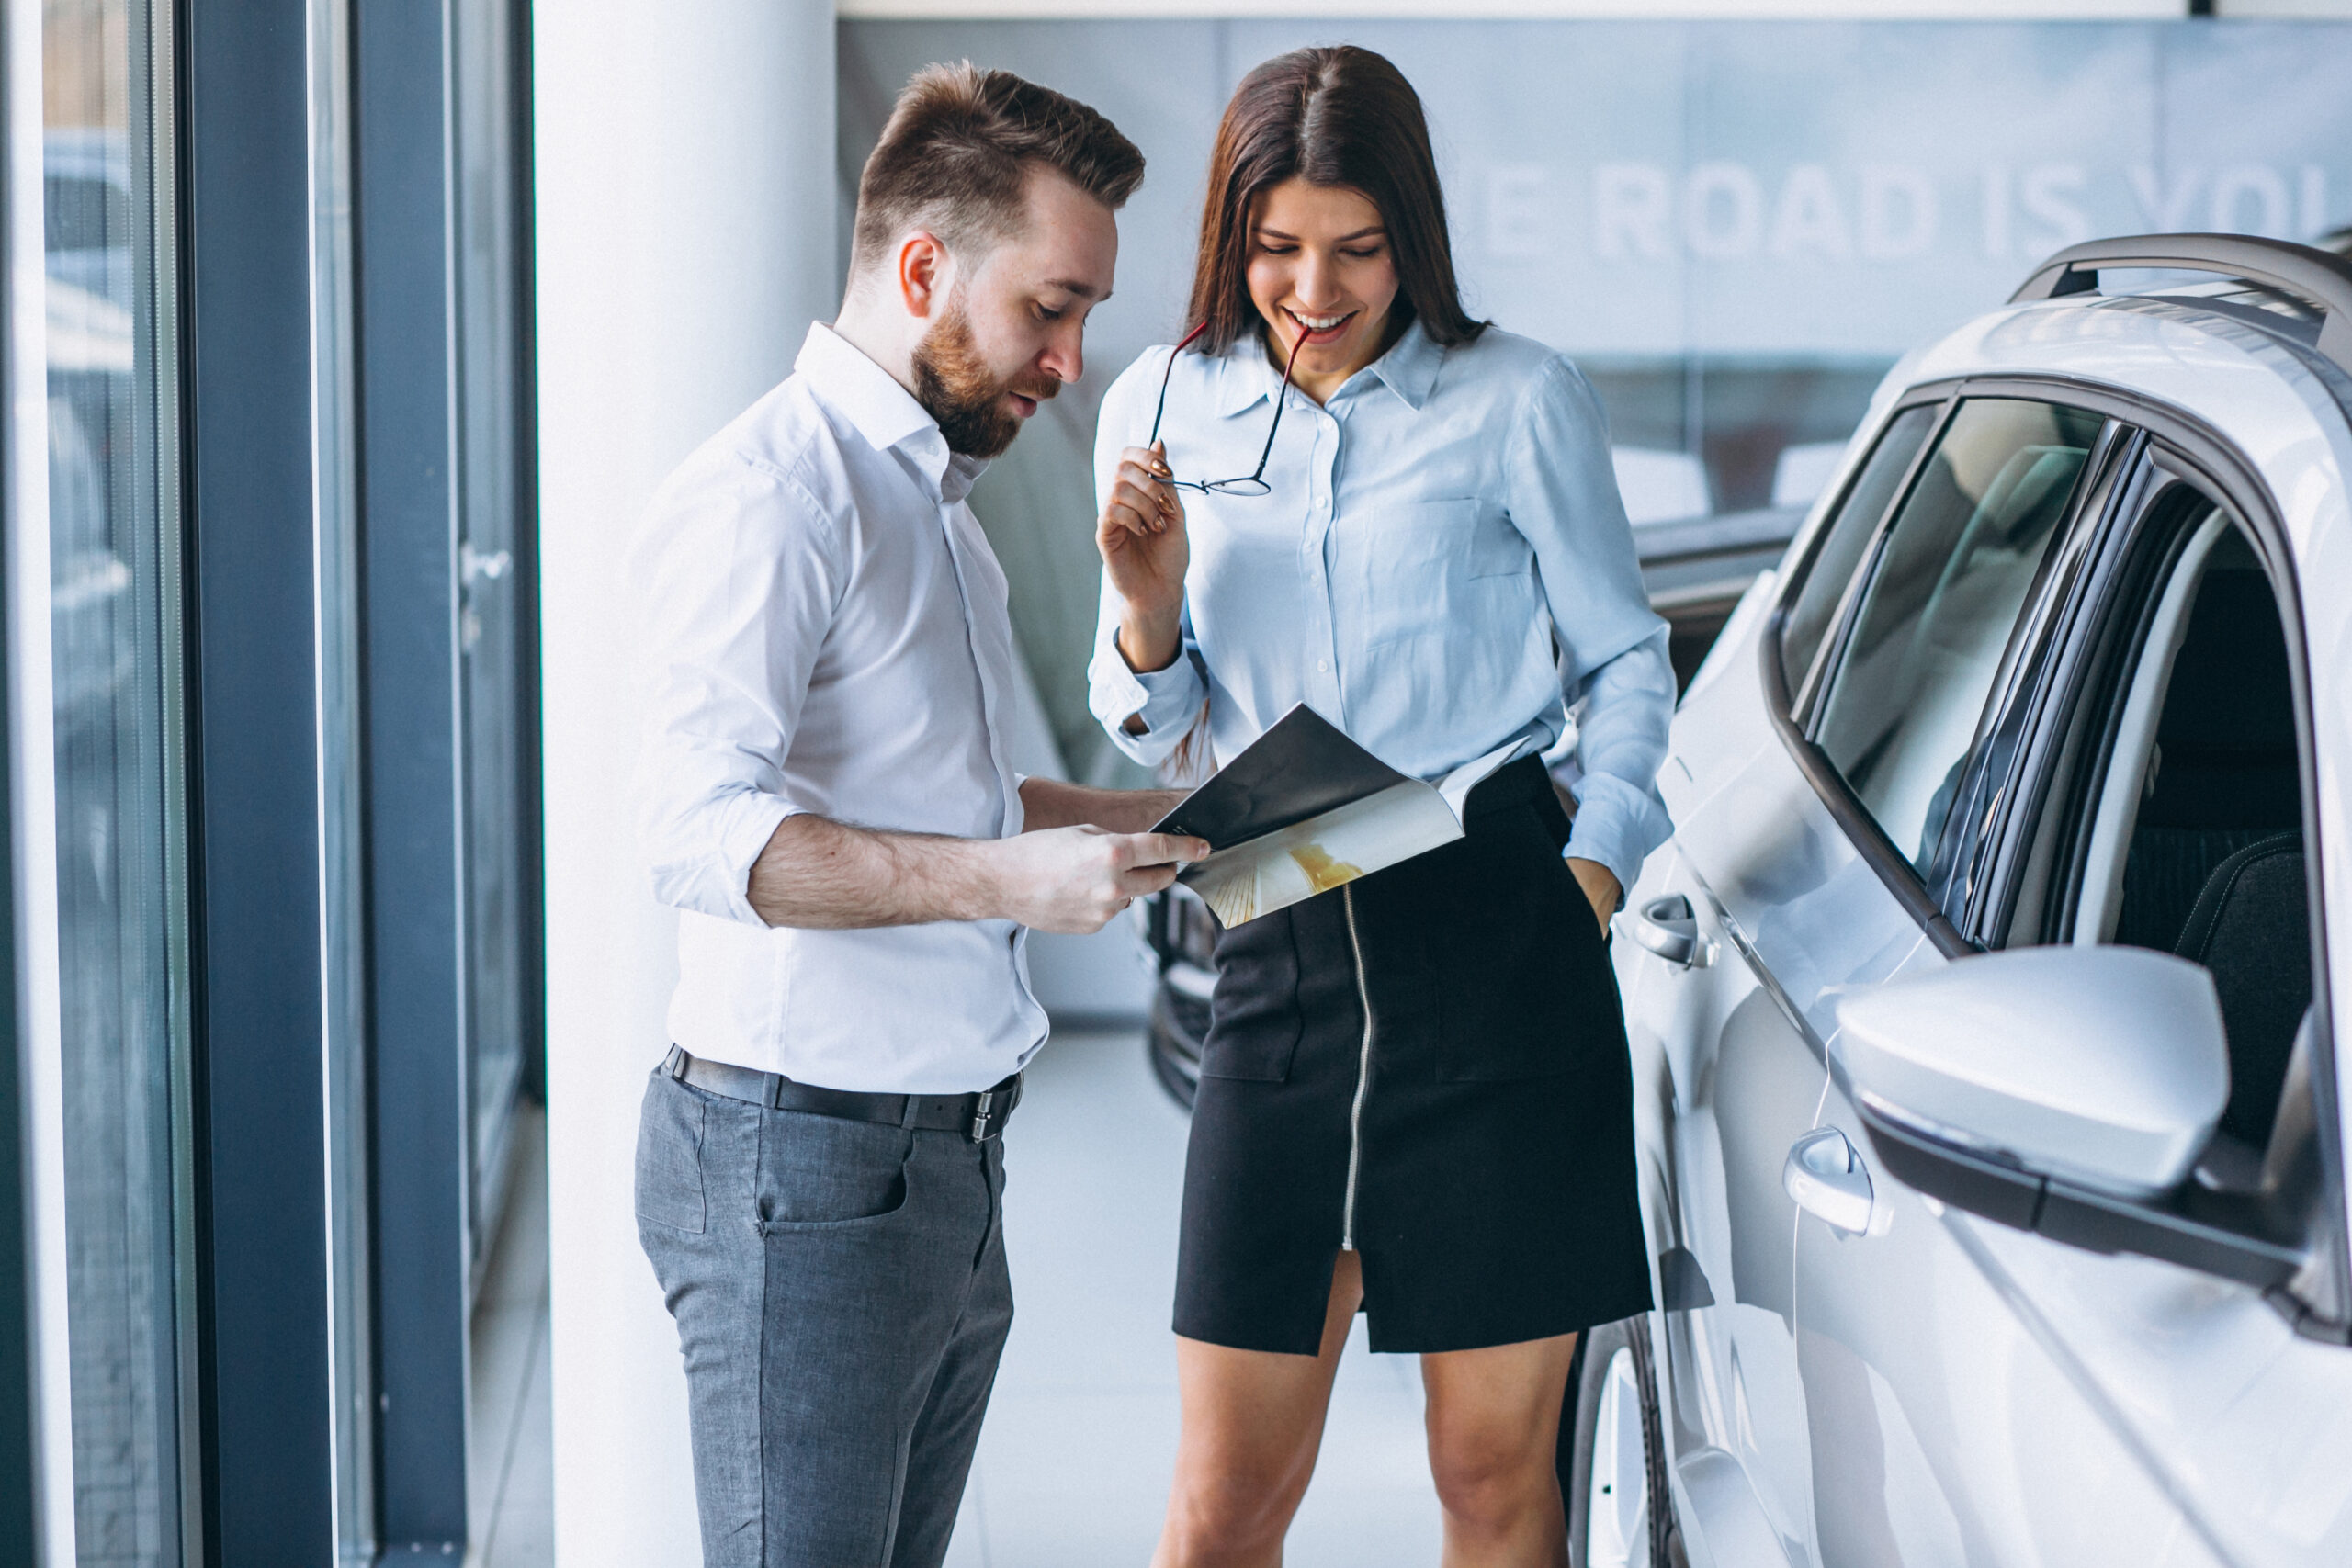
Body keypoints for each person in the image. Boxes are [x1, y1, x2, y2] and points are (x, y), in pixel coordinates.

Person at [1090, 45, 1674, 1568]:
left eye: (1357, 249)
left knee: (1491, 1483)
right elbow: (1156, 724)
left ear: (1413, 233)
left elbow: (1624, 656)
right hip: (1278, 953)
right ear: (1232, 238)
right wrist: (1147, 613)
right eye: (1277, 249)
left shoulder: (1517, 397)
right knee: (1221, 1512)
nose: (1315, 289)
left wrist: (1596, 865)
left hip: (1499, 950)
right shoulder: (1163, 404)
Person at [630, 63, 1204, 1568]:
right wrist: (1014, 875)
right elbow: (700, 832)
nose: (1074, 360)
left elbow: (951, 807)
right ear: (923, 268)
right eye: (1051, 308)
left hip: (938, 1166)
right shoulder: (776, 496)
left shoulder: (930, 502)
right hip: (801, 1180)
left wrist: (1150, 825)